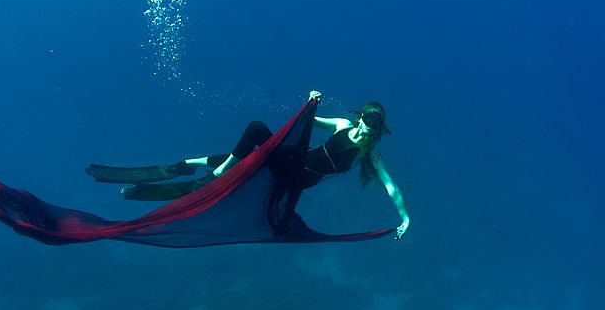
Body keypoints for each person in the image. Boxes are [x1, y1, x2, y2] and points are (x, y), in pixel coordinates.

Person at [88, 91, 411, 240]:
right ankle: (185, 167)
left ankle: (213, 171)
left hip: (297, 177)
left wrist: (405, 218)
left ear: (380, 128)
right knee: (256, 142)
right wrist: (313, 102)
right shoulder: (342, 124)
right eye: (368, 118)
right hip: (291, 161)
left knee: (256, 134)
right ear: (361, 115)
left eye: (376, 123)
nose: (370, 125)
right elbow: (310, 120)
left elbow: (391, 187)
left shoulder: (370, 156)